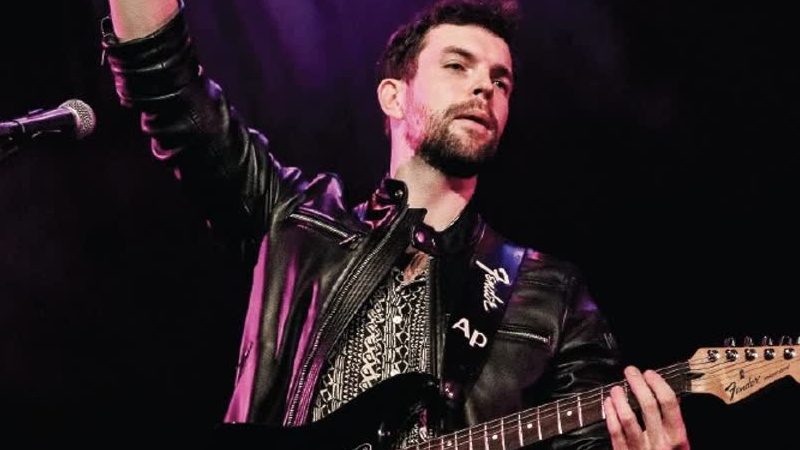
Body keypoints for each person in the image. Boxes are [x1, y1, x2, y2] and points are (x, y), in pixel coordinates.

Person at [101, 0, 690, 448]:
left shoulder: (550, 294)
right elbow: (169, 89)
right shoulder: (298, 219)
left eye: (501, 81)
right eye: (457, 65)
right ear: (393, 96)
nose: (484, 86)